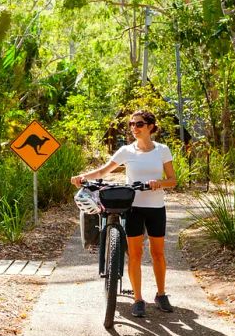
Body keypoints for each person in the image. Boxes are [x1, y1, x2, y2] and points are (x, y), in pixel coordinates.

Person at [71, 110, 177, 317]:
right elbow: (102, 171)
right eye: (131, 124)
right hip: (134, 208)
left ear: (150, 127)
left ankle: (161, 294)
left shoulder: (162, 150)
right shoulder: (127, 151)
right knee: (135, 254)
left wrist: (159, 183)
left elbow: (173, 180)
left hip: (156, 208)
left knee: (158, 254)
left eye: (138, 124)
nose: (133, 128)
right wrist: (82, 176)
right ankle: (138, 299)